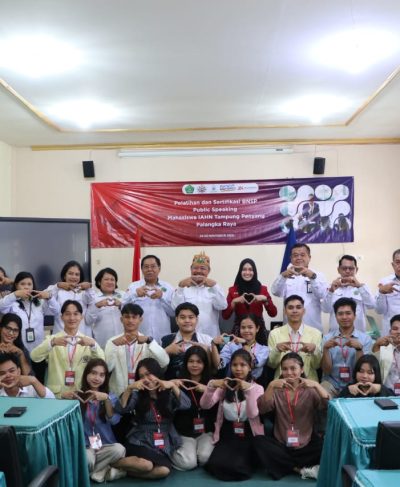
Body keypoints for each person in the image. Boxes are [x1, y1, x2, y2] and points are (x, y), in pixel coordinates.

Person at [254, 353, 329, 480]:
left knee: (326, 445)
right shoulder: (276, 389)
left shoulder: (310, 390)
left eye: (293, 368)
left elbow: (328, 407)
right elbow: (262, 409)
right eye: (284, 369)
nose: (289, 373)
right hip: (282, 444)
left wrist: (317, 385)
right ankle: (299, 469)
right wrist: (271, 385)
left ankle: (283, 465)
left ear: (302, 369)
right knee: (259, 441)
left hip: (305, 445)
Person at [114, 357, 191, 479]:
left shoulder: (168, 393)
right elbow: (121, 409)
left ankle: (125, 472)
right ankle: (113, 463)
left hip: (162, 442)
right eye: (142, 376)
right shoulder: (137, 395)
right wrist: (129, 389)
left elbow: (187, 405)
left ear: (157, 373)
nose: (146, 379)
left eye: (148, 374)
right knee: (146, 465)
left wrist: (172, 385)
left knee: (163, 471)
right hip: (140, 440)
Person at [200, 349, 264, 481]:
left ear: (250, 367)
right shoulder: (225, 387)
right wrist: (211, 385)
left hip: (248, 433)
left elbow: (253, 414)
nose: (238, 369)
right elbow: (205, 405)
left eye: (243, 365)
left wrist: (248, 390)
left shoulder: (257, 388)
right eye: (234, 365)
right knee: (216, 464)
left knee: (238, 466)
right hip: (228, 432)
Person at [30, 300, 104, 398]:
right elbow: (34, 357)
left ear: (81, 317)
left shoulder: (89, 341)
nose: (72, 318)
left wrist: (93, 345)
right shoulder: (52, 339)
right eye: (68, 314)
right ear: (62, 317)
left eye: (76, 314)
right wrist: (52, 343)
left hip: (80, 393)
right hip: (56, 394)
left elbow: (102, 362)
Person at [105, 303, 169, 396]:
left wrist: (149, 341)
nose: (130, 320)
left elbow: (164, 362)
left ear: (140, 319)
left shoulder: (148, 342)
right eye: (127, 317)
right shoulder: (112, 342)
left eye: (134, 317)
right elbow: (107, 368)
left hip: (143, 392)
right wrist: (114, 345)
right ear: (121, 319)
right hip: (118, 392)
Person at [79, 358, 126, 483]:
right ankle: (103, 471)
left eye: (101, 375)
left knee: (120, 449)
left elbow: (114, 421)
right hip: (86, 447)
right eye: (93, 373)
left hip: (105, 446)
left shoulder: (110, 396)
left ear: (106, 378)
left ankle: (93, 473)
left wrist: (106, 399)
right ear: (86, 374)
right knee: (87, 459)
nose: (97, 378)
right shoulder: (78, 396)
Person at [171, 346, 216, 471]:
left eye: (199, 362)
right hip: (184, 433)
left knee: (205, 458)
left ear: (204, 364)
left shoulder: (211, 383)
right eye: (191, 361)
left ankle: (196, 452)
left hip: (205, 432)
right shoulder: (178, 383)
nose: (194, 365)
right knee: (188, 463)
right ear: (185, 363)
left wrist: (208, 390)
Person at [321, 297, 372, 397]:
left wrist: (359, 349)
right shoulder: (327, 338)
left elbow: (362, 371)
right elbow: (326, 370)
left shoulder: (365, 339)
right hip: (331, 383)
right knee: (322, 394)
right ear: (336, 316)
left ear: (354, 315)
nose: (344, 317)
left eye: (348, 313)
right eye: (340, 314)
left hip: (355, 383)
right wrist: (325, 350)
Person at [271, 244, 328, 331]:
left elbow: (323, 295)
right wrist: (283, 276)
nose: (299, 258)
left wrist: (312, 277)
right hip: (290, 329)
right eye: (295, 255)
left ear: (309, 257)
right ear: (291, 258)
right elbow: (276, 292)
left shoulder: (318, 275)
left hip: (313, 329)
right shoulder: (285, 275)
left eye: (302, 255)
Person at [0, 271, 60, 352]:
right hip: (18, 349)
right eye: (22, 284)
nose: (26, 287)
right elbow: (1, 306)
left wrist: (49, 297)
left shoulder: (39, 302)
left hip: (38, 348)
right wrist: (15, 294)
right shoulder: (11, 303)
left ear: (33, 286)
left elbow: (57, 311)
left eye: (29, 284)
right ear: (16, 286)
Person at [172, 251, 227, 337]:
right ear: (191, 269)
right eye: (195, 268)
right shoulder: (183, 287)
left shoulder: (214, 288)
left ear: (208, 271)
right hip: (188, 336)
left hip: (210, 335)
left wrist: (214, 286)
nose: (198, 271)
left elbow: (222, 306)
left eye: (202, 268)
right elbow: (175, 308)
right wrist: (180, 287)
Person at [268, 295, 322, 381]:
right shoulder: (274, 334)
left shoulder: (316, 334)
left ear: (303, 311)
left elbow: (317, 365)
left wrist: (314, 350)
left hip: (309, 383)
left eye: (298, 307)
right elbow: (272, 365)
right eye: (290, 308)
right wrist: (277, 350)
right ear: (285, 311)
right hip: (282, 383)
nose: (294, 311)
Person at [122, 255, 174, 343]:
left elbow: (173, 313)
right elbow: (122, 308)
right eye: (146, 267)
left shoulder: (168, 287)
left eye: (153, 266)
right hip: (139, 336)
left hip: (162, 337)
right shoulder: (133, 287)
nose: (149, 269)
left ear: (159, 268)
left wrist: (162, 297)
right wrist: (135, 295)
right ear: (142, 269)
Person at [222, 258, 277, 340]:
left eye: (250, 270)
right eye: (244, 269)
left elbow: (273, 313)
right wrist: (234, 302)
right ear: (240, 272)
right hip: (240, 331)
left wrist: (265, 299)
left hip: (258, 331)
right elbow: (225, 316)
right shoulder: (233, 290)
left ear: (254, 272)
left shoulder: (262, 289)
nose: (247, 272)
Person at [322, 255, 374, 331]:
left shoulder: (362, 287)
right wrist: (331, 291)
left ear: (356, 270)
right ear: (338, 270)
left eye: (351, 268)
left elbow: (372, 305)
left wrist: (359, 287)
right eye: (344, 268)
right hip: (336, 334)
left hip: (358, 334)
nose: (347, 271)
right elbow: (325, 309)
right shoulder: (331, 288)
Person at [211, 314, 269, 382]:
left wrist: (244, 343)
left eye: (250, 327)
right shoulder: (231, 345)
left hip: (253, 385)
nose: (246, 330)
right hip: (232, 383)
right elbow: (219, 365)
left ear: (257, 328)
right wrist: (214, 344)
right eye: (243, 327)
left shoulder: (264, 349)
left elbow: (254, 364)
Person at [162, 302, 212, 380]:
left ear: (197, 320)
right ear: (176, 320)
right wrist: (166, 351)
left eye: (191, 317)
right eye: (182, 317)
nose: (187, 320)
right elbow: (158, 369)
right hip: (173, 383)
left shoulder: (207, 340)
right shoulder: (166, 340)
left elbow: (214, 369)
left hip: (201, 384)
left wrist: (207, 352)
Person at [48, 260, 95, 336]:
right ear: (64, 275)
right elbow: (46, 296)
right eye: (70, 273)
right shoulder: (57, 290)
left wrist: (89, 287)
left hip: (82, 334)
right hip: (61, 334)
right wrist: (58, 286)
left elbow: (93, 302)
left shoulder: (85, 292)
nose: (74, 277)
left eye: (77, 274)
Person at [86, 267, 124, 349]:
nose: (110, 282)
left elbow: (132, 314)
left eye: (112, 279)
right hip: (103, 342)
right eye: (106, 279)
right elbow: (88, 320)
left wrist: (121, 305)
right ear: (99, 282)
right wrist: (97, 306)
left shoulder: (123, 295)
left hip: (123, 342)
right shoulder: (94, 298)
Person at [373, 314, 400, 395]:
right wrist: (376, 345)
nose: (399, 332)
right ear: (390, 332)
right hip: (386, 394)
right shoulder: (383, 349)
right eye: (395, 329)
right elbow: (373, 369)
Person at [376, 249, 400, 335]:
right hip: (390, 331)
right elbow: (379, 311)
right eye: (398, 262)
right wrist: (381, 293)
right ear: (393, 265)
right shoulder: (384, 282)